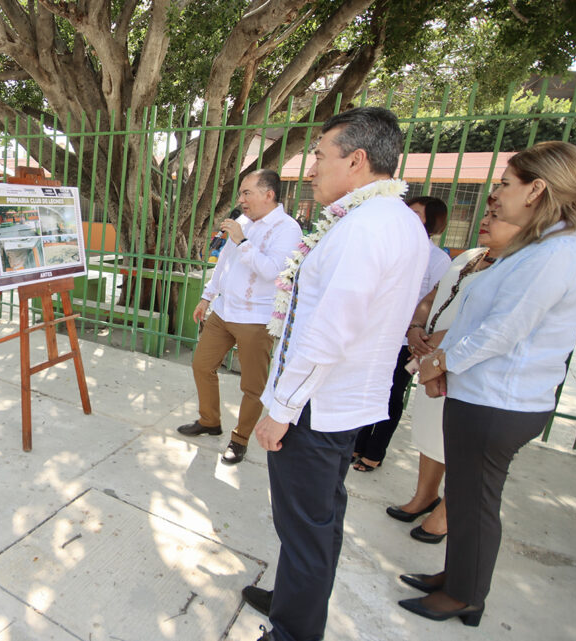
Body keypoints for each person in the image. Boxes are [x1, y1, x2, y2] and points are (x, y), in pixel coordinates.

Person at [243, 107, 428, 641]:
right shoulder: (388, 220)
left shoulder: (368, 228)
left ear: (357, 160)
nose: (312, 169)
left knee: (304, 527)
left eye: (320, 157)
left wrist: (280, 410)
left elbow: (328, 333)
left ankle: (292, 632)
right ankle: (293, 599)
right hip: (335, 401)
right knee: (315, 520)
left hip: (316, 408)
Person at [398, 141, 576, 627]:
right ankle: (459, 577)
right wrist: (447, 365)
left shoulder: (560, 252)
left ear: (537, 189)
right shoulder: (540, 245)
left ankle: (464, 596)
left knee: (476, 501)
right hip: (481, 393)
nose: (497, 193)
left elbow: (504, 331)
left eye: (506, 184)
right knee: (464, 496)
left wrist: (440, 362)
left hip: (500, 401)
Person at [386, 199, 513, 544]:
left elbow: (495, 323)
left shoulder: (515, 267)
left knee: (459, 442)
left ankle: (444, 515)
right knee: (430, 432)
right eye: (485, 214)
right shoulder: (468, 256)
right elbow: (433, 294)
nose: (485, 220)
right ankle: (425, 496)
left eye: (495, 216)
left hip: (465, 364)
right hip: (430, 357)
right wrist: (416, 327)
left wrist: (441, 339)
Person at [176, 169, 301, 466]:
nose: (241, 199)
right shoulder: (242, 223)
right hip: (223, 311)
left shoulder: (288, 228)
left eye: (247, 193)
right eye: (241, 193)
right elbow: (224, 265)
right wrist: (207, 297)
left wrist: (243, 241)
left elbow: (272, 270)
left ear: (268, 194)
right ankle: (209, 421)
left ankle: (240, 439)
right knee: (201, 365)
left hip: (257, 318)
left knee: (252, 386)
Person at [351, 196, 451, 471]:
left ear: (432, 222)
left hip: (408, 341)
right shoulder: (394, 250)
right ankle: (357, 444)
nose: (407, 217)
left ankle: (375, 451)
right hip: (379, 334)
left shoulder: (439, 259)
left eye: (416, 214)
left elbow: (435, 303)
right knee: (367, 389)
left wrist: (418, 336)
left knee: (392, 394)